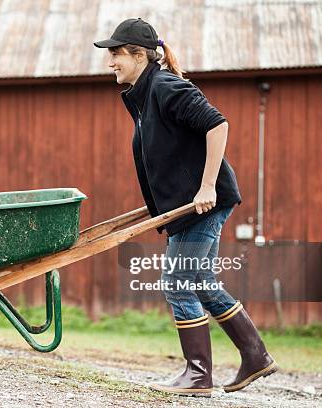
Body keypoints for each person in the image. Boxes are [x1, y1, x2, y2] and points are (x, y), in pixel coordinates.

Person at [94, 18, 277, 396]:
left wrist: (207, 185)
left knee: (179, 283)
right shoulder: (142, 96)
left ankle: (198, 375)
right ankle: (255, 355)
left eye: (115, 54)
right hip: (188, 206)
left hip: (204, 204)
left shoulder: (166, 86)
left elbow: (217, 125)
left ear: (138, 54)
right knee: (200, 282)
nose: (110, 61)